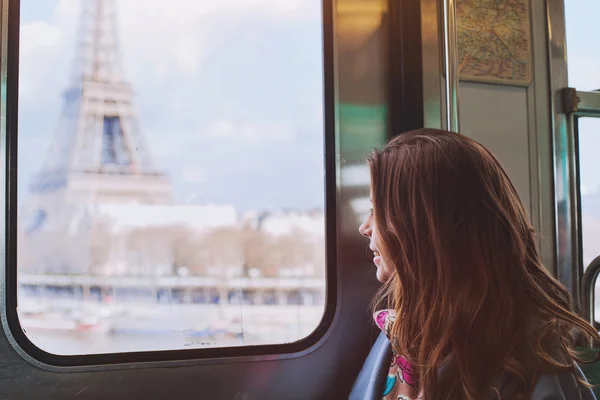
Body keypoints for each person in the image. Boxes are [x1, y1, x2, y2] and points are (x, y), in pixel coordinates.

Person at [350, 129, 599, 400]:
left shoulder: (529, 364)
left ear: (430, 231)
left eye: (378, 211)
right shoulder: (401, 333)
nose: (364, 227)